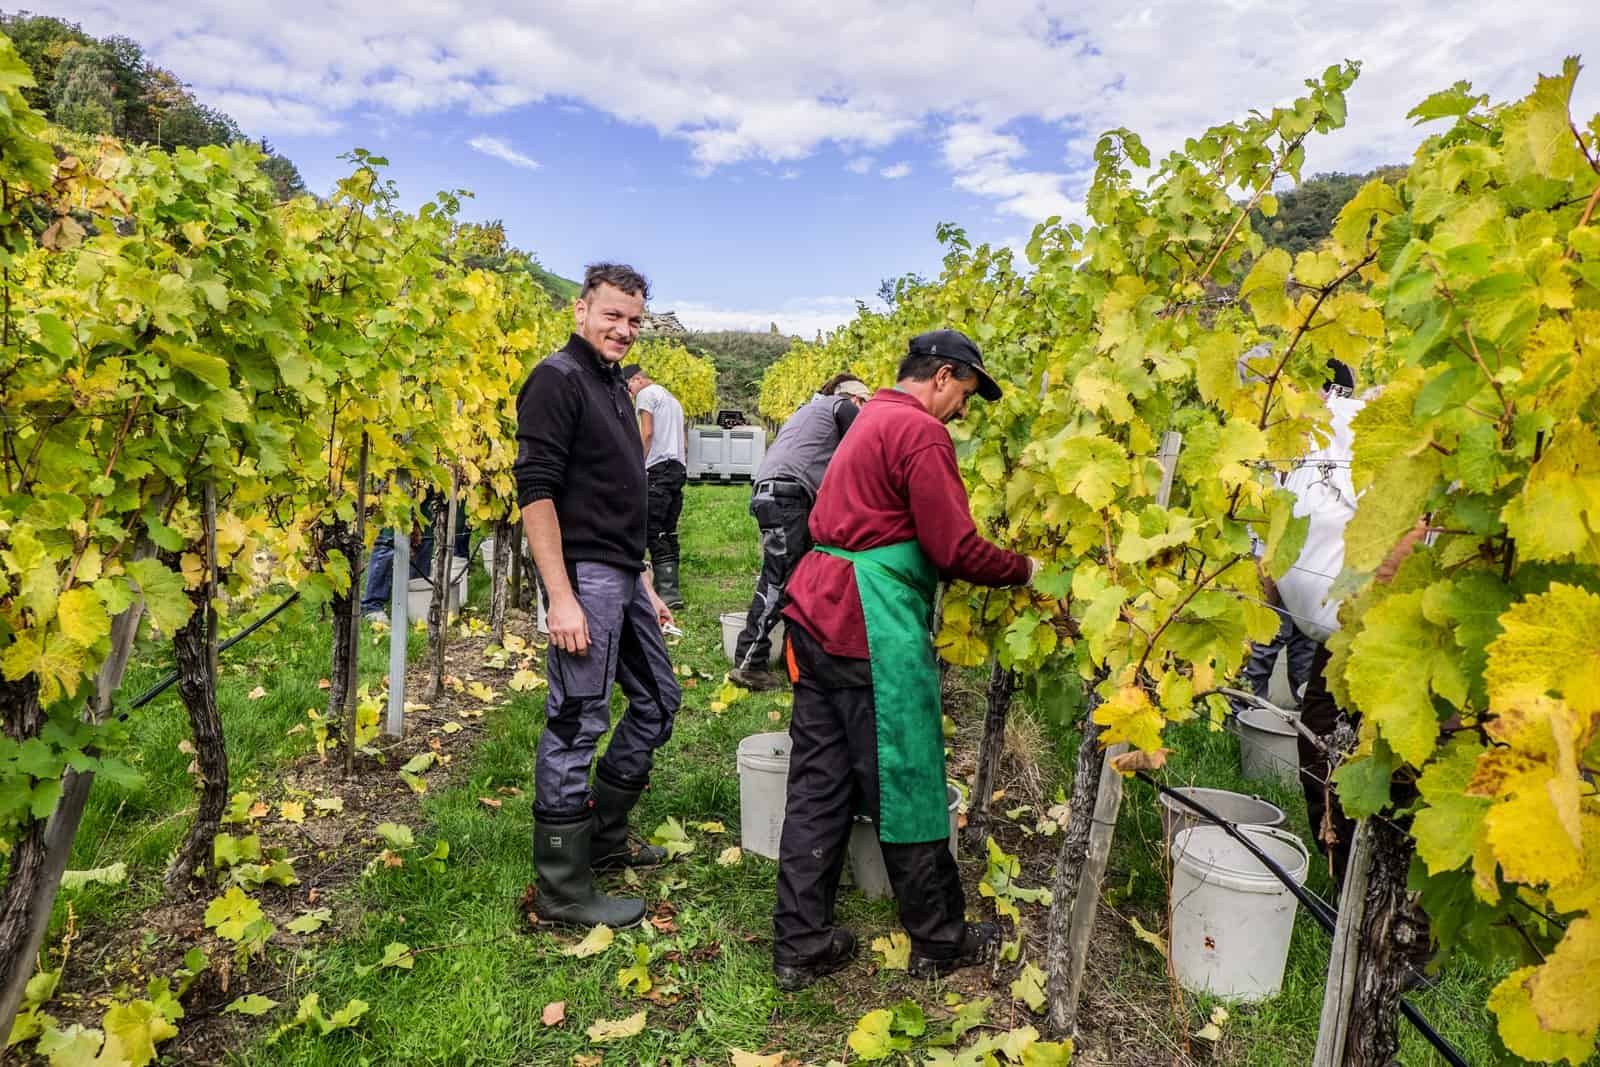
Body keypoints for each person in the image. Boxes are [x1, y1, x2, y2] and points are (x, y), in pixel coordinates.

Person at [770, 329, 1041, 991]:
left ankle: (800, 945)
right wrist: (1025, 568)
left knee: (818, 785)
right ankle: (941, 940)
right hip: (871, 626)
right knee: (908, 781)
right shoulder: (920, 432)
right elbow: (953, 547)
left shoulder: (871, 417)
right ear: (942, 375)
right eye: (966, 395)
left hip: (816, 614)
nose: (963, 412)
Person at [513, 263, 682, 930]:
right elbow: (537, 491)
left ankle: (603, 836)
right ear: (582, 310)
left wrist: (643, 579)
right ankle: (561, 887)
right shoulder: (557, 378)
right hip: (582, 577)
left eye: (635, 320)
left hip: (621, 573)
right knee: (577, 718)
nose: (624, 329)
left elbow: (615, 496)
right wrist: (561, 595)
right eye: (613, 314)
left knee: (659, 700)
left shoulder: (612, 385)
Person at [729, 373, 872, 690]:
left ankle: (796, 656)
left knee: (792, 576)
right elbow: (860, 455)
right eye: (865, 403)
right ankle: (749, 663)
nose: (865, 413)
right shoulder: (841, 406)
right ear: (854, 398)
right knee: (779, 579)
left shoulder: (808, 410)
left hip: (776, 493)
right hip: (786, 497)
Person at [622, 365, 688, 611]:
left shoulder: (646, 395)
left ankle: (668, 593)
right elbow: (683, 439)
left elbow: (647, 433)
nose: (629, 393)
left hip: (658, 470)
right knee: (668, 530)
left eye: (629, 386)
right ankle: (671, 588)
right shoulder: (672, 399)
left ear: (637, 379)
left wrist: (637, 463)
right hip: (677, 468)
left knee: (653, 529)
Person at [360, 490, 471, 621]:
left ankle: (412, 599)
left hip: (426, 478)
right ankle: (373, 606)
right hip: (399, 479)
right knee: (389, 537)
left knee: (424, 532)